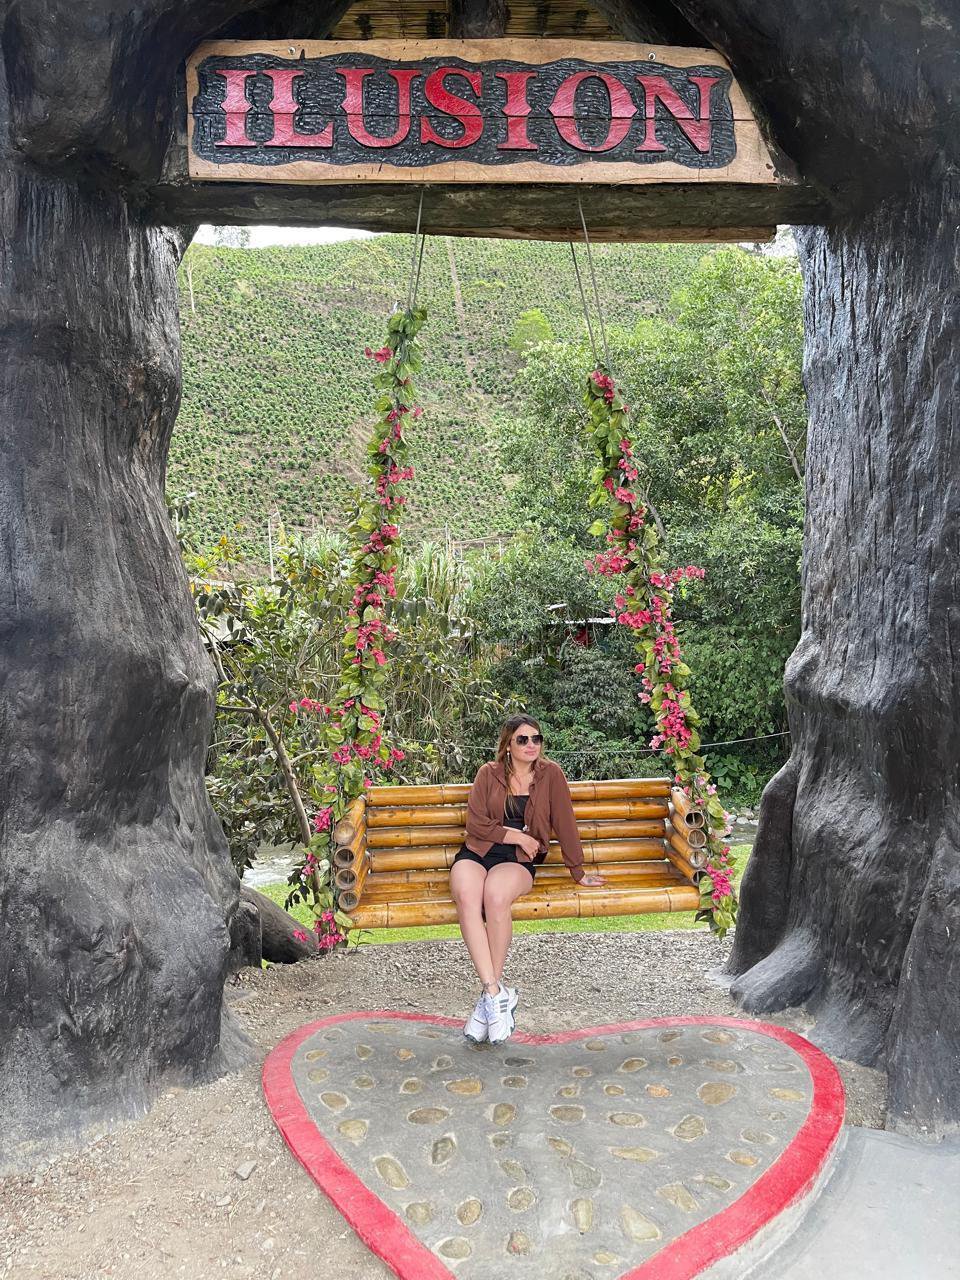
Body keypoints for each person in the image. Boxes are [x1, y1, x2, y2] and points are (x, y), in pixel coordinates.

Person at [449, 715, 605, 1045]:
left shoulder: (551, 775)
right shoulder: (488, 773)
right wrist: (517, 835)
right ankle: (495, 993)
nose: (531, 744)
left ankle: (489, 1000)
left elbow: (565, 821)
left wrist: (577, 870)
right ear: (508, 744)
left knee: (495, 896)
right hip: (478, 851)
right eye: (523, 739)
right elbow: (475, 824)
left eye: (536, 738)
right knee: (466, 895)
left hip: (517, 860)